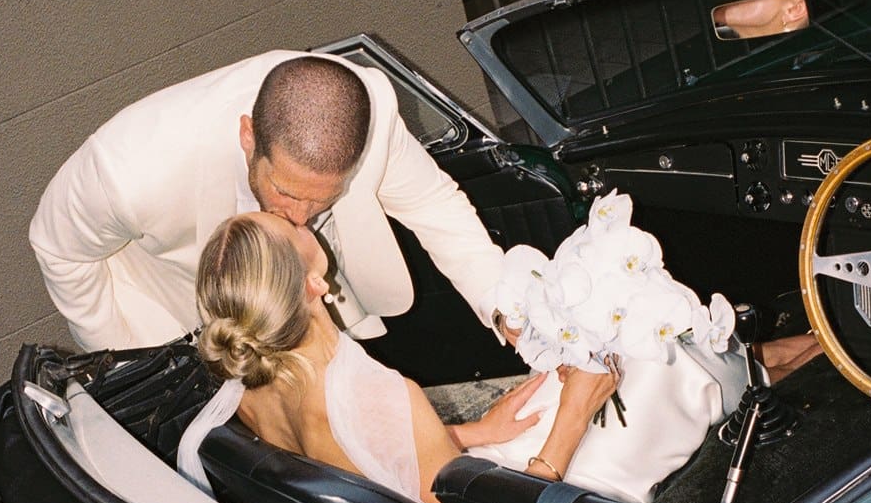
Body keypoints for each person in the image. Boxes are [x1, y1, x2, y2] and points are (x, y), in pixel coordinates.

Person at [29, 50, 513, 354]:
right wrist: (130, 360)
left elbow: (432, 204)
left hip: (312, 325)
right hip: (185, 324)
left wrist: (502, 304)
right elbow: (58, 248)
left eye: (325, 199)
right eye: (285, 192)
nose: (300, 220)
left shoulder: (370, 113)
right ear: (248, 136)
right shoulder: (129, 170)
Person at [179, 213, 620, 503]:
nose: (297, 217)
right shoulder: (377, 397)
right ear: (314, 285)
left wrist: (471, 433)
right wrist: (575, 415)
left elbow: (364, 458)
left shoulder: (246, 391)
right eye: (287, 224)